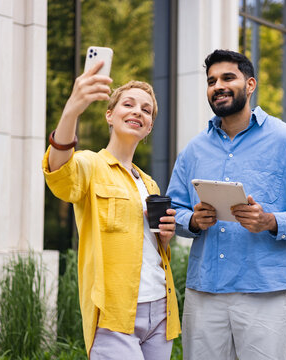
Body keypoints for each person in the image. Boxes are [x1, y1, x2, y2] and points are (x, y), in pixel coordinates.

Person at [166, 49, 286, 360]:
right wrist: (192, 221)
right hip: (204, 294)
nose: (218, 85)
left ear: (250, 84)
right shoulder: (194, 150)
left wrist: (271, 221)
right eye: (211, 80)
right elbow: (172, 211)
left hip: (266, 294)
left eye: (228, 77)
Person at [43, 61, 180, 360]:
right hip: (114, 315)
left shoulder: (150, 183)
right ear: (110, 114)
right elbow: (59, 173)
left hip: (160, 311)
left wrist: (165, 239)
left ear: (150, 126)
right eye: (128, 104)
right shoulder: (90, 165)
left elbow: (151, 251)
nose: (137, 112)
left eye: (146, 110)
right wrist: (72, 110)